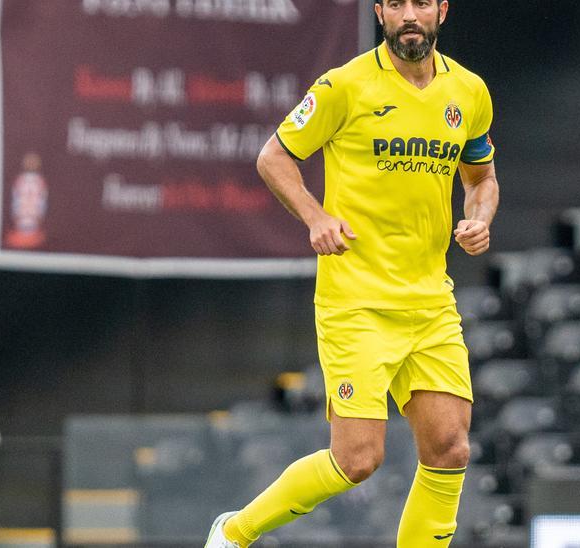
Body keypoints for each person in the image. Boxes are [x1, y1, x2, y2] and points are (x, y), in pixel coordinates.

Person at [205, 0, 499, 546]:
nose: (409, 14)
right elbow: (273, 156)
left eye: (420, 3)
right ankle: (235, 533)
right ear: (381, 14)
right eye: (395, 4)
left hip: (430, 302)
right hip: (356, 301)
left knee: (450, 449)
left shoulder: (470, 92)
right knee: (358, 459)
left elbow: (481, 178)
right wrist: (315, 217)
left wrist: (478, 218)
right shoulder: (344, 86)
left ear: (442, 10)